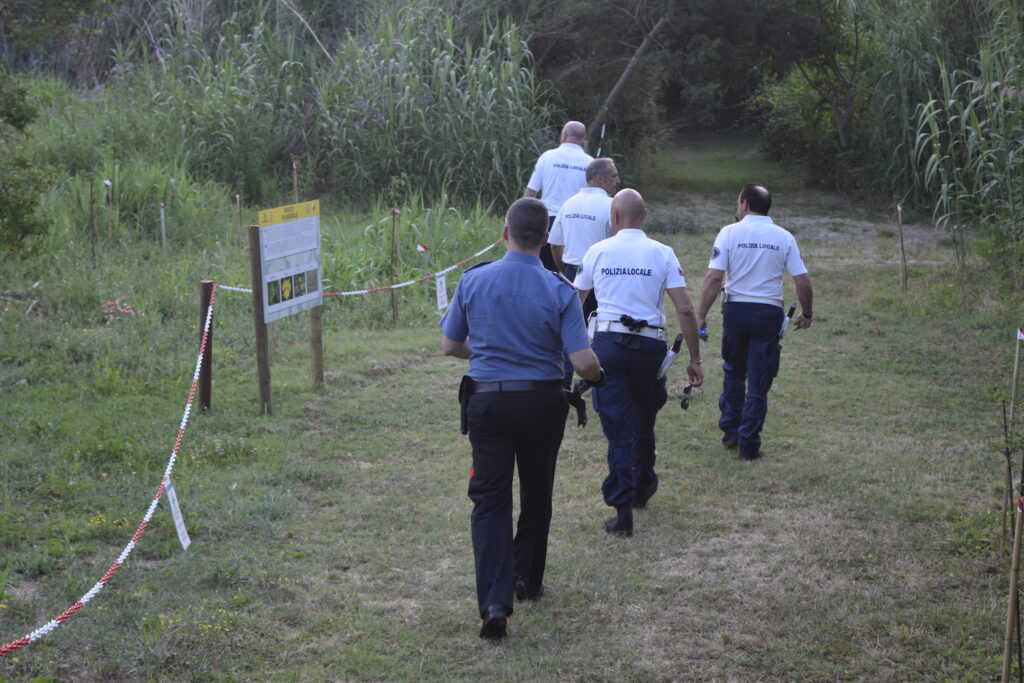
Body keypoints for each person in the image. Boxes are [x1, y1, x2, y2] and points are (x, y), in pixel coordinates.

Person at [440, 197, 604, 640]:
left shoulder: (473, 281)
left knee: (490, 501)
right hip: (542, 403)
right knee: (537, 492)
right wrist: (597, 375)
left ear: (504, 231)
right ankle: (527, 580)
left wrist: (490, 353)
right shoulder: (560, 290)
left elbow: (451, 346)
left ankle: (494, 601)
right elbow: (582, 360)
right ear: (547, 238)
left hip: (489, 404)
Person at [574, 189, 704, 537]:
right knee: (645, 418)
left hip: (609, 346)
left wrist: (569, 351)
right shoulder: (663, 253)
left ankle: (622, 511)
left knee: (617, 426)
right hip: (650, 347)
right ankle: (643, 487)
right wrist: (694, 359)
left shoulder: (597, 251)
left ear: (614, 218)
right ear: (643, 217)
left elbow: (576, 302)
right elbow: (686, 309)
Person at [696, 183, 813, 461]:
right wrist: (807, 313)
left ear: (745, 205)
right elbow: (802, 281)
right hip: (768, 312)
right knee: (759, 379)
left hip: (735, 310)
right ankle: (749, 444)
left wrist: (701, 315)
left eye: (738, 203)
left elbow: (714, 278)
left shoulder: (729, 233)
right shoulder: (784, 237)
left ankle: (731, 431)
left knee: (734, 371)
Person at [549, 157, 620, 320]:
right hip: (602, 277)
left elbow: (554, 245)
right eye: (614, 176)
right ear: (601, 178)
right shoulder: (612, 206)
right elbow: (620, 242)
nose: (618, 180)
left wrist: (565, 270)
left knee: (570, 327)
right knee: (600, 328)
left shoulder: (568, 204)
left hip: (572, 275)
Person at [523, 121, 593, 271]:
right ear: (582, 140)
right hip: (577, 223)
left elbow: (530, 194)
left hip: (548, 221)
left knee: (544, 271)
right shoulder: (590, 163)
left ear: (564, 135)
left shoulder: (547, 157)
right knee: (572, 274)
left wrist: (523, 223)